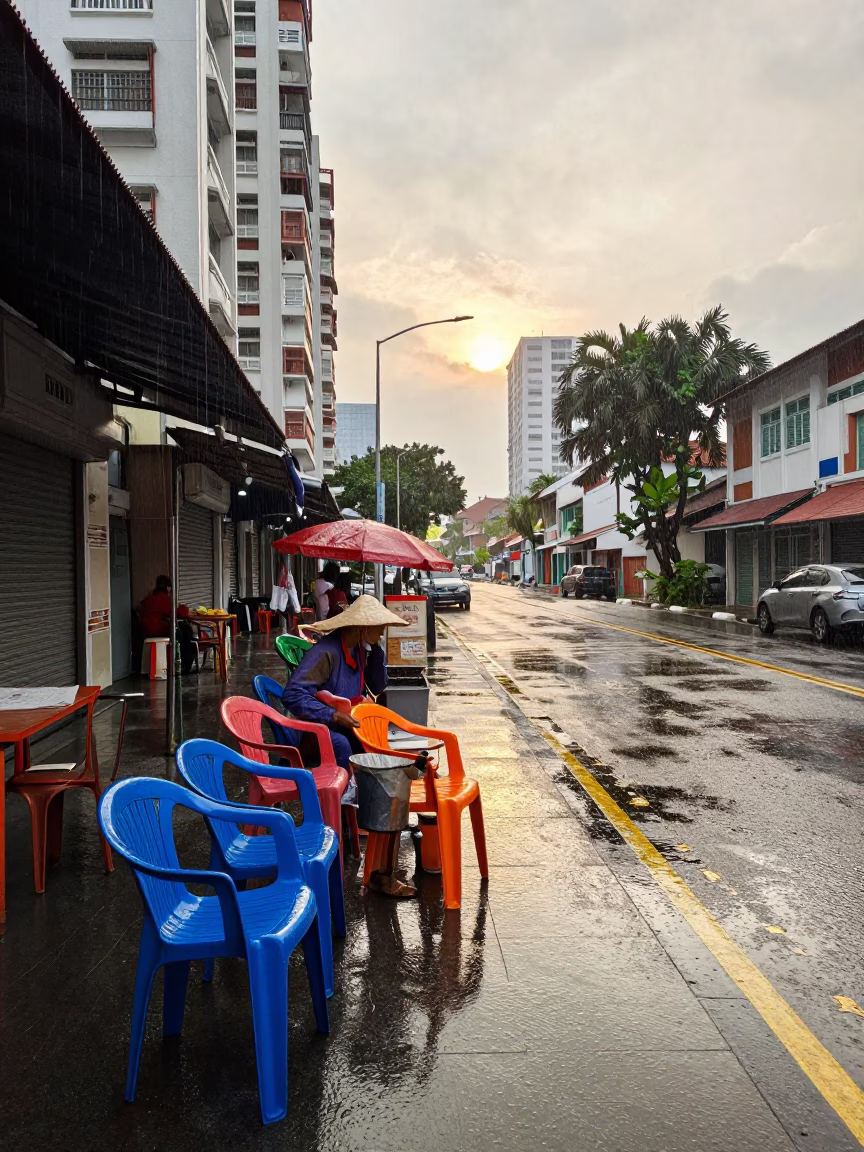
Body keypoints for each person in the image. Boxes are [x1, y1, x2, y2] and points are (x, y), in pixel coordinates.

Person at [280, 593, 407, 776]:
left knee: (382, 740)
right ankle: (342, 797)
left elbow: (378, 686)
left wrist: (377, 651)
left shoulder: (360, 649)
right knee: (344, 745)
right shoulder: (326, 652)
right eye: (380, 628)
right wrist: (334, 715)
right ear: (363, 628)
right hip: (318, 728)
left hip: (348, 722)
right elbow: (292, 694)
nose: (382, 633)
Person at [138, 575, 196, 674]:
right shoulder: (161, 598)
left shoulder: (150, 598)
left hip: (146, 630)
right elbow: (179, 612)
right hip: (157, 630)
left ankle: (184, 663)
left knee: (180, 629)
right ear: (168, 588)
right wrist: (185, 608)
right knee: (183, 631)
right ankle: (184, 664)